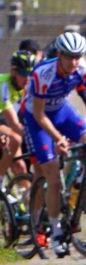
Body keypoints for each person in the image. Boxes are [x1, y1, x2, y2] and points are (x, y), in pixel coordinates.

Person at [24, 32, 86, 256]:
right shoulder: (43, 73)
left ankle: (80, 184)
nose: (74, 62)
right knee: (51, 174)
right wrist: (58, 138)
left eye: (78, 56)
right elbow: (39, 115)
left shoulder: (81, 67)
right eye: (69, 57)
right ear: (59, 54)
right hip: (37, 118)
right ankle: (56, 230)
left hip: (62, 111)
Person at [0, 50, 36, 178]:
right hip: (4, 121)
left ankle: (25, 197)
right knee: (15, 139)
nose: (27, 78)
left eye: (30, 74)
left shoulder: (29, 86)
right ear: (14, 72)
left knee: (20, 167)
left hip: (3, 122)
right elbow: (14, 123)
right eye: (23, 73)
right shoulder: (3, 86)